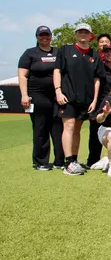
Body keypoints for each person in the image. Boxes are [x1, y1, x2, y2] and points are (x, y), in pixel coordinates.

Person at [54, 23, 105, 176]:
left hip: (86, 99)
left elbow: (97, 79)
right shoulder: (65, 50)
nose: (83, 34)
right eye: (80, 32)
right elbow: (57, 71)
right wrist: (58, 91)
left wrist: (94, 100)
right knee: (68, 126)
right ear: (75, 34)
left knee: (76, 130)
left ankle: (74, 160)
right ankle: (68, 162)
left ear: (91, 36)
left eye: (86, 32)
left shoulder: (94, 55)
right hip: (67, 97)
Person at [17, 25, 64, 170]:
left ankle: (60, 161)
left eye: (47, 35)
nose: (45, 37)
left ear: (51, 36)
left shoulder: (58, 52)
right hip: (37, 96)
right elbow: (22, 75)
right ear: (37, 37)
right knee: (40, 129)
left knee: (58, 129)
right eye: (41, 35)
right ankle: (41, 162)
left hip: (57, 97)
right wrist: (24, 95)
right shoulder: (30, 53)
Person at [87, 43, 111, 169]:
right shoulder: (99, 67)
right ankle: (93, 160)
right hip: (101, 103)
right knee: (95, 133)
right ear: (102, 53)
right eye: (106, 52)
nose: (109, 54)